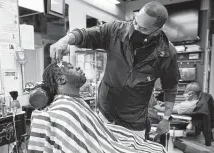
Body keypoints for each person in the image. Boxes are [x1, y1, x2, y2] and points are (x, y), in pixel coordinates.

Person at [49, 1, 180, 137]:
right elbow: (87, 35)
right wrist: (65, 40)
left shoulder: (166, 53)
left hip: (133, 122)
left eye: (143, 29)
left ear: (157, 31)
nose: (135, 28)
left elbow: (171, 88)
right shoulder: (116, 31)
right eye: (135, 22)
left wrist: (166, 119)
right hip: (105, 114)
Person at [27, 62, 166, 153]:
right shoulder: (64, 109)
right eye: (71, 67)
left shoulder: (74, 101)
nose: (78, 67)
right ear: (62, 80)